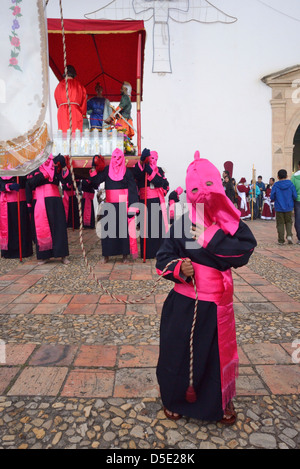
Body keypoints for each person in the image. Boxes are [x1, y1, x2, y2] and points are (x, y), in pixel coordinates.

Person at [155, 151, 257, 424]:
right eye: (197, 189)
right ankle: (174, 398)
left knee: (214, 356)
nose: (204, 195)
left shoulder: (231, 223)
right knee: (178, 355)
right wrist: (180, 269)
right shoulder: (180, 226)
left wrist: (211, 237)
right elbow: (162, 260)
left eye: (209, 187)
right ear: (189, 193)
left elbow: (244, 252)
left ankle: (217, 401)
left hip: (217, 306)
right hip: (185, 306)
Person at [89, 149, 139, 263]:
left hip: (123, 205)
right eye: (115, 157)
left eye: (119, 157)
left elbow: (132, 190)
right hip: (109, 204)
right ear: (112, 158)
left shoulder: (127, 172)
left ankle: (125, 255)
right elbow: (96, 180)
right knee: (107, 231)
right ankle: (106, 255)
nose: (117, 160)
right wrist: (93, 168)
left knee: (123, 231)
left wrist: (132, 207)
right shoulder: (107, 170)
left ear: (123, 158)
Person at [26, 154, 70, 264]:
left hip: (54, 200)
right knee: (42, 227)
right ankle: (44, 255)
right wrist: (45, 174)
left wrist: (63, 166)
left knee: (59, 227)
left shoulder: (55, 166)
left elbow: (65, 181)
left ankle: (62, 255)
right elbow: (30, 183)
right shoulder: (34, 167)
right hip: (39, 201)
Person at [133, 148, 169, 259]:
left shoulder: (159, 170)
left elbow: (159, 182)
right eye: (151, 158)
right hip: (144, 202)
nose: (154, 160)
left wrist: (150, 171)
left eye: (155, 158)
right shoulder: (141, 168)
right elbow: (137, 176)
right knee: (146, 227)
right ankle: (148, 253)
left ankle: (160, 252)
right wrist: (142, 162)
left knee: (158, 227)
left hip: (156, 201)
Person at [0, 175, 33, 259]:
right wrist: (8, 186)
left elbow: (28, 184)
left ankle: (25, 250)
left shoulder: (23, 170)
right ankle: (10, 251)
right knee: (10, 227)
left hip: (21, 201)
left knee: (22, 226)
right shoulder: (2, 171)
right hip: (7, 203)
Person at [54, 65, 87, 133]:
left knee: (63, 133)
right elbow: (83, 102)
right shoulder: (79, 85)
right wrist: (83, 114)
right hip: (75, 111)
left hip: (62, 111)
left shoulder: (59, 86)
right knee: (76, 133)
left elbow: (57, 102)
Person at [270, 169, 297, 245]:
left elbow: (272, 196)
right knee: (289, 222)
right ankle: (289, 235)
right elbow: (294, 195)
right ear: (287, 176)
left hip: (279, 207)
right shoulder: (291, 184)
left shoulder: (275, 185)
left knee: (280, 223)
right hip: (289, 206)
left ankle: (281, 240)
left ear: (278, 177)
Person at [291, 161, 300, 244]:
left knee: (298, 218)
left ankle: (299, 237)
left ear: (298, 166)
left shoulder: (294, 177)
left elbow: (292, 190)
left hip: (297, 200)